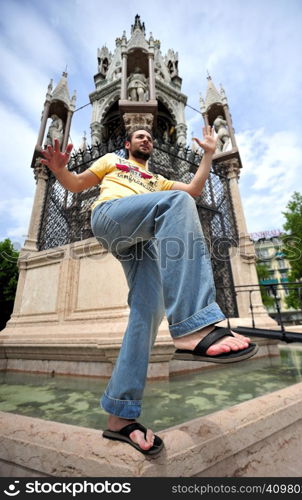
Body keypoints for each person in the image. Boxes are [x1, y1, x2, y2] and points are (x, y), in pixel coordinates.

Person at [40, 127, 257, 456]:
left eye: (149, 137)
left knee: (148, 309)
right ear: (128, 144)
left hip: (139, 239)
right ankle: (194, 325)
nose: (146, 139)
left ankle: (120, 415)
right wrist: (60, 170)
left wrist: (209, 154)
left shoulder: (155, 180)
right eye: (140, 136)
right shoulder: (112, 160)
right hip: (110, 218)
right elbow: (78, 183)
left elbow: (196, 189)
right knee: (176, 203)